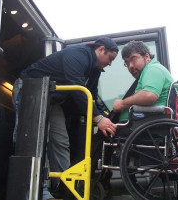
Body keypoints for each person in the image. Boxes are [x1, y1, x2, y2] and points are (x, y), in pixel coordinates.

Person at [12, 37, 118, 200]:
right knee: (34, 142)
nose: (110, 63)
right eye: (110, 58)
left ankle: (64, 188)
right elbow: (76, 87)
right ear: (101, 49)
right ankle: (37, 192)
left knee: (61, 141)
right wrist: (98, 118)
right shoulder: (78, 54)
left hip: (53, 101)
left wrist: (104, 116)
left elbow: (91, 96)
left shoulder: (94, 71)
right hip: (32, 91)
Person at [112, 40, 177, 120]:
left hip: (143, 128)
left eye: (133, 59)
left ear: (147, 57)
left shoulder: (153, 68)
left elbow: (149, 95)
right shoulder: (146, 73)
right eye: (127, 63)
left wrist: (122, 104)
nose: (130, 66)